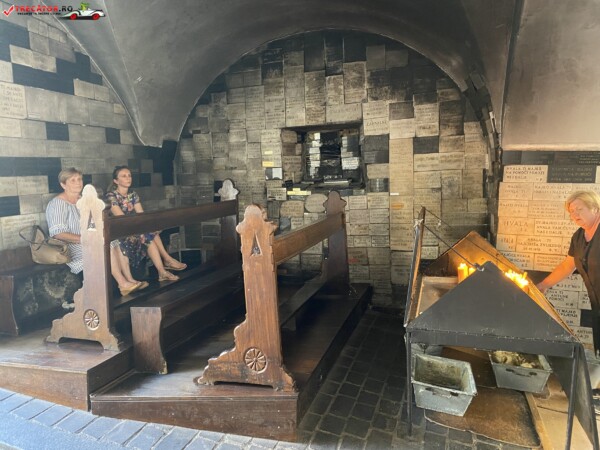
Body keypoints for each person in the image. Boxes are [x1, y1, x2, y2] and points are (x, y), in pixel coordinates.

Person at [536, 190, 600, 407]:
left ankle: (591, 393)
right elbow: (568, 265)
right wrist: (544, 285)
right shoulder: (580, 236)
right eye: (572, 212)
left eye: (579, 209)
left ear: (595, 208)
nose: (575, 215)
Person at [45, 167, 147, 297]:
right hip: (73, 246)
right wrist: (86, 239)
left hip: (90, 241)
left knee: (115, 241)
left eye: (79, 179)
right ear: (63, 185)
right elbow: (58, 234)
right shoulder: (58, 204)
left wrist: (98, 232)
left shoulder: (84, 200)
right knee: (105, 244)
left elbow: (93, 224)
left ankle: (130, 280)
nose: (78, 183)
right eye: (73, 180)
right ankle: (122, 283)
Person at [106, 165, 186, 282]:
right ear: (116, 181)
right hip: (120, 232)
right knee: (147, 234)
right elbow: (121, 218)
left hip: (133, 228)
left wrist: (150, 226)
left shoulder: (133, 194)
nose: (128, 178)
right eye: (124, 176)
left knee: (149, 233)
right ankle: (166, 263)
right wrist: (141, 227)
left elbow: (141, 215)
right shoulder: (111, 196)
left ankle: (163, 269)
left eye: (129, 175)